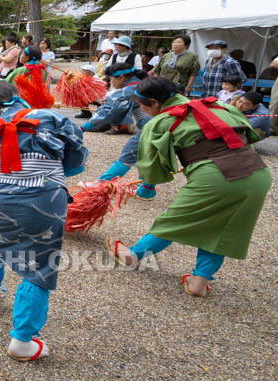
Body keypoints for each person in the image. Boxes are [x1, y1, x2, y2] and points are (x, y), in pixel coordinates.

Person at [108, 77, 270, 297]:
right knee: (224, 226)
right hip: (257, 173)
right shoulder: (217, 104)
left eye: (143, 106)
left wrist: (148, 187)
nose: (144, 111)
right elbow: (247, 134)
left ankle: (133, 256)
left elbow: (152, 167)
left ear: (155, 102)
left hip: (216, 177)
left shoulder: (161, 121)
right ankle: (198, 282)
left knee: (175, 219)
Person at [0, 81, 87, 361]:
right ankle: (22, 341)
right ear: (18, 98)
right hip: (46, 198)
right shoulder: (55, 119)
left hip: (1, 196)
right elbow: (77, 161)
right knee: (39, 266)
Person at [91, 65, 159, 199]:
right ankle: (146, 191)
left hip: (149, 127)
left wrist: (87, 126)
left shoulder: (132, 88)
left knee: (128, 155)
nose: (111, 83)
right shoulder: (139, 85)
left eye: (111, 79)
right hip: (154, 126)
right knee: (149, 157)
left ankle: (101, 183)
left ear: (121, 77)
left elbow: (113, 110)